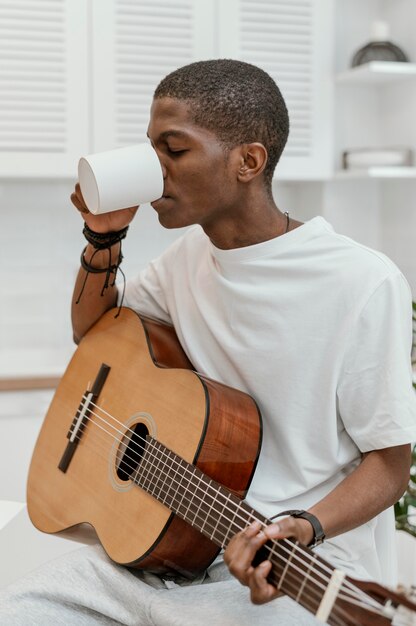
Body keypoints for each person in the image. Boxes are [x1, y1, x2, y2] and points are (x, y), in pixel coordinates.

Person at [1, 59, 415, 625]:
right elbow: (94, 337)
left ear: (248, 161)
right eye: (151, 150)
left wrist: (304, 526)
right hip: (159, 552)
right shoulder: (185, 262)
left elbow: (389, 466)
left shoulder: (364, 282)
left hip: (281, 570)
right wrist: (104, 236)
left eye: (174, 150)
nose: (155, 169)